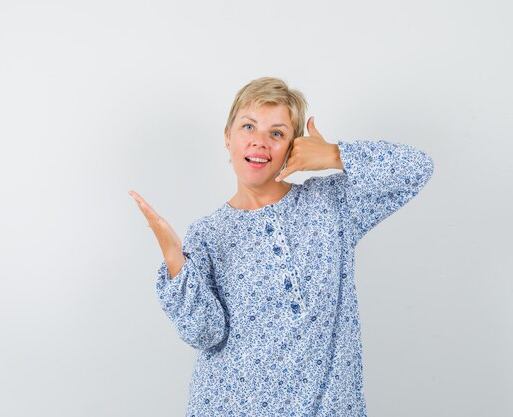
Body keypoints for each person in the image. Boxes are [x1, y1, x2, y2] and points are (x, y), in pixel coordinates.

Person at [128, 76, 434, 416]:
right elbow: (205, 333)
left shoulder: (332, 203)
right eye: (248, 127)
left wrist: (334, 154)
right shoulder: (208, 233)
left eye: (277, 133)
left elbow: (417, 169)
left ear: (294, 146)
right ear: (228, 138)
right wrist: (174, 258)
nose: (260, 142)